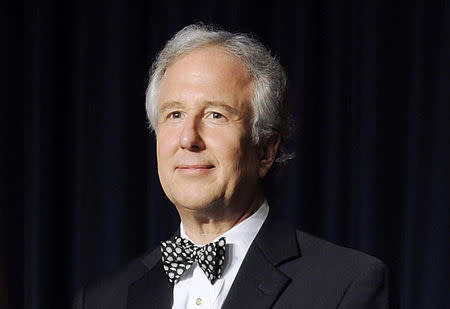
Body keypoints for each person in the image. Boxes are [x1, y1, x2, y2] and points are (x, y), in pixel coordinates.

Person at [73, 24, 388, 309]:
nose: (188, 138)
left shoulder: (346, 286)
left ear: (265, 150)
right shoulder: (102, 300)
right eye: (174, 114)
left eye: (215, 115)